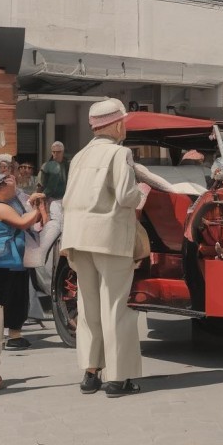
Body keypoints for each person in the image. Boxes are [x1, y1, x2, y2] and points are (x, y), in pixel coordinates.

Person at [61, 98, 145, 397]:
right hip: (109, 238)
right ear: (118, 124)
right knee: (115, 308)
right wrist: (142, 194)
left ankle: (91, 373)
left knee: (88, 308)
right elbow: (125, 196)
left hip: (78, 238)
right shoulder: (120, 153)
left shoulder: (79, 156)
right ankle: (118, 379)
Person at [0, 173, 47, 350]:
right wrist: (37, 210)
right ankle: (10, 336)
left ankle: (13, 335)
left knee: (15, 297)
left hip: (12, 260)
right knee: (10, 298)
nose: (14, 187)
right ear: (0, 187)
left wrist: (36, 208)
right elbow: (22, 222)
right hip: (6, 260)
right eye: (11, 184)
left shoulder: (9, 203)